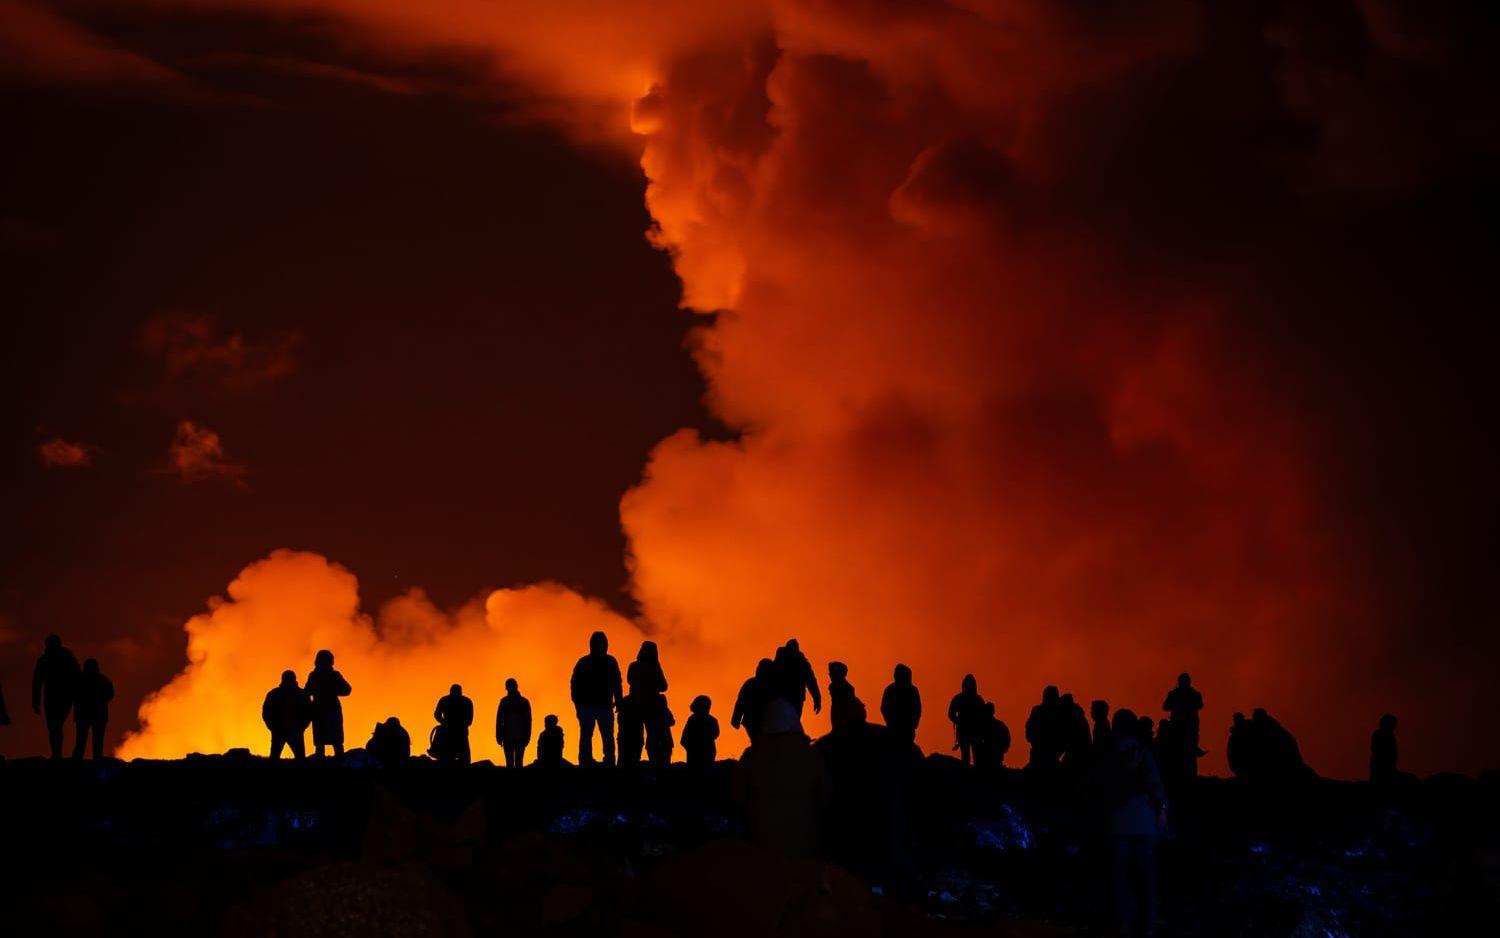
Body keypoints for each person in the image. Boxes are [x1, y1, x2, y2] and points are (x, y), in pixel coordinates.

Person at [1091, 709, 1167, 938]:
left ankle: (1124, 924)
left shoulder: (1109, 755)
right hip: (1144, 822)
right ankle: (1149, 924)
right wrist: (1161, 813)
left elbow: (1100, 790)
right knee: (1146, 876)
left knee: (1121, 878)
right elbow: (1156, 787)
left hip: (1118, 824)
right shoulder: (1144, 754)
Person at [734, 698, 831, 855]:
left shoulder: (751, 756)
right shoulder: (811, 756)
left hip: (762, 848)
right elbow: (826, 799)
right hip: (805, 848)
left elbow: (738, 798)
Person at [570, 631, 622, 766]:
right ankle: (588, 760)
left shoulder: (605, 662)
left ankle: (606, 760)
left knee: (603, 736)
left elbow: (617, 682)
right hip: (591, 706)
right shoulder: (604, 662)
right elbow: (575, 685)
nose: (600, 646)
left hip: (601, 706)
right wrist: (578, 704)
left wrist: (619, 702)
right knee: (590, 735)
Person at [32, 635, 80, 759]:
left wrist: (36, 702)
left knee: (55, 726)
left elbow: (37, 682)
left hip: (55, 698)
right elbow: (78, 679)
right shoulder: (68, 659)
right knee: (55, 726)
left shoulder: (45, 660)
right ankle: (57, 753)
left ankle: (57, 753)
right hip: (61, 697)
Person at [627, 640, 673, 767]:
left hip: (636, 706)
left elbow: (629, 680)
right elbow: (664, 686)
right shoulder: (655, 667)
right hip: (652, 707)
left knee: (636, 737)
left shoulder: (634, 666)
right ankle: (654, 763)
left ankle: (633, 763)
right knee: (653, 736)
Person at [305, 650, 352, 758]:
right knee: (333, 739)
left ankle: (325, 761)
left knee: (325, 739)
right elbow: (347, 689)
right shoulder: (333, 675)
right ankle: (338, 760)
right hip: (328, 709)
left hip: (322, 709)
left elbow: (347, 690)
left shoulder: (315, 675)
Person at [262, 670, 311, 760]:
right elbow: (266, 712)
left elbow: (308, 713)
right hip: (286, 730)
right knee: (299, 759)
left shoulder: (274, 693)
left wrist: (302, 727)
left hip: (289, 730)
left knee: (275, 758)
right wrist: (273, 727)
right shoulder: (302, 694)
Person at [72, 658, 113, 760]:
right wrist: (101, 701)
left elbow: (72, 695)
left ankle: (77, 762)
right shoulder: (103, 680)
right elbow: (110, 694)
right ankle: (96, 761)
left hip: (83, 715)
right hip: (98, 715)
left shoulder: (79, 680)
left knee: (81, 740)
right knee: (97, 741)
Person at [731, 658, 777, 741]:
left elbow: (740, 702)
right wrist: (736, 719)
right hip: (755, 721)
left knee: (760, 744)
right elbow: (741, 702)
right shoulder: (772, 685)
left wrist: (735, 720)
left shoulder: (751, 683)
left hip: (757, 721)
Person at [773, 639, 821, 716]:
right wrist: (817, 699)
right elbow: (811, 681)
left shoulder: (801, 663)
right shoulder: (780, 662)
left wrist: (817, 698)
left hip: (792, 699)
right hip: (785, 698)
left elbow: (811, 681)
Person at [947, 674, 986, 765]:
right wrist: (958, 721)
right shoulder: (977, 699)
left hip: (973, 732)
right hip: (967, 732)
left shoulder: (975, 699)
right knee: (968, 758)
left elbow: (984, 716)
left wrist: (958, 721)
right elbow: (950, 714)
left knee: (975, 759)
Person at [1162, 673, 1203, 755]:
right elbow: (1200, 705)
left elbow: (1165, 707)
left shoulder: (1174, 694)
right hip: (1185, 726)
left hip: (1185, 726)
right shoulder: (1194, 694)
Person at [495, 678, 533, 768]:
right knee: (511, 763)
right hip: (510, 736)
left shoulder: (522, 702)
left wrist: (527, 736)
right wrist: (498, 736)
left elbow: (528, 721)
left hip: (519, 737)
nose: (510, 688)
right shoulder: (507, 701)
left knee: (516, 763)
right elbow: (499, 720)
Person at [880, 664, 922, 745]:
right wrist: (890, 721)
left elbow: (917, 709)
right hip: (894, 728)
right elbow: (884, 708)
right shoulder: (890, 690)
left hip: (907, 729)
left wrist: (913, 724)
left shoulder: (912, 691)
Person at [432, 684, 474, 763]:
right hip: (454, 731)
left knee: (461, 756)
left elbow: (437, 714)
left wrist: (444, 722)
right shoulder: (467, 701)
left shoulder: (445, 700)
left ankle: (434, 750)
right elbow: (470, 719)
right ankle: (434, 750)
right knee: (461, 756)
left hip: (457, 731)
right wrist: (444, 722)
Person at [1026, 685, 1064, 768]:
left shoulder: (1037, 711)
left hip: (1046, 754)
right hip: (1046, 754)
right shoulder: (1059, 713)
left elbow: (1029, 730)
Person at [681, 695, 720, 769]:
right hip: (706, 752)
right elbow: (716, 733)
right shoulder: (712, 720)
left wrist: (690, 748)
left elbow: (683, 739)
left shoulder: (692, 719)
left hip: (699, 753)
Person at [973, 702, 1011, 769]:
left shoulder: (984, 726)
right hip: (993, 754)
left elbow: (1006, 739)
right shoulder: (999, 725)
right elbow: (1007, 739)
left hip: (993, 754)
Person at [827, 661, 860, 731]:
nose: (829, 674)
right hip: (838, 715)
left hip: (844, 716)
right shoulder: (835, 686)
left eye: (832, 672)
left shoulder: (843, 687)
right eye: (830, 672)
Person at [1370, 714, 1398, 785]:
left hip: (1387, 765)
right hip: (1380, 765)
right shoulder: (1378, 734)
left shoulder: (1390, 736)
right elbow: (1375, 749)